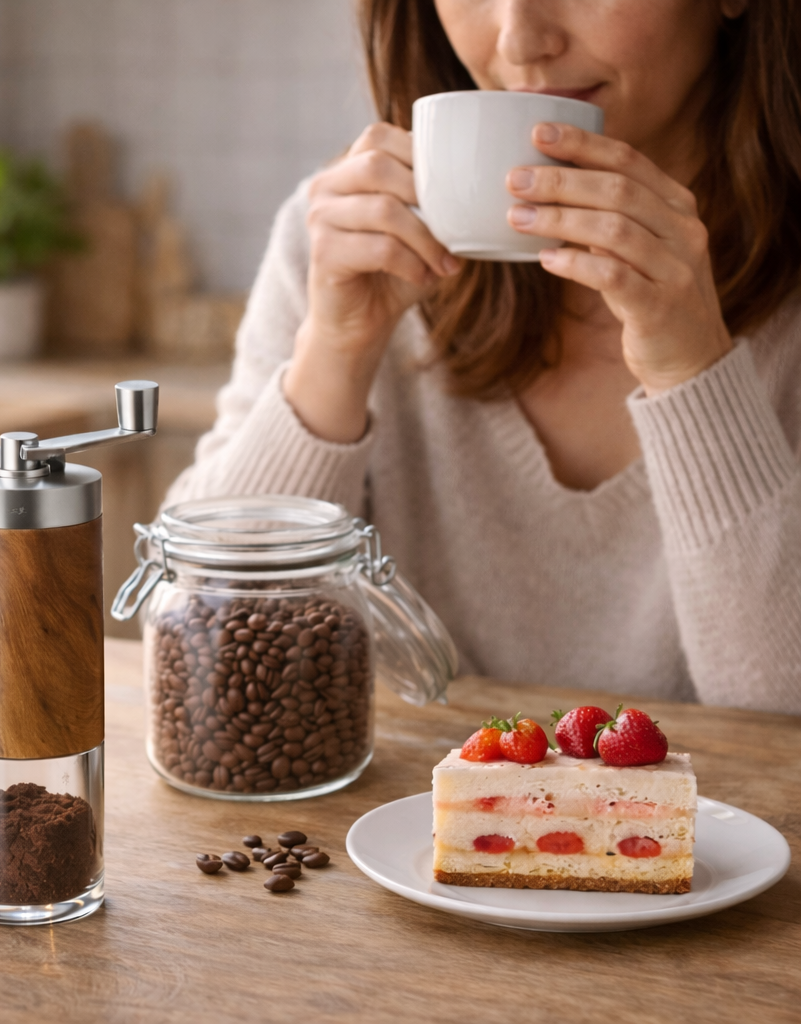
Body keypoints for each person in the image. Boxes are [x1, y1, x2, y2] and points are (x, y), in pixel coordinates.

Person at [164, 0, 801, 714]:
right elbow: (200, 668)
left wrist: (695, 375)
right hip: (402, 822)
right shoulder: (341, 245)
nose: (522, 40)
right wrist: (334, 356)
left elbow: (784, 722)